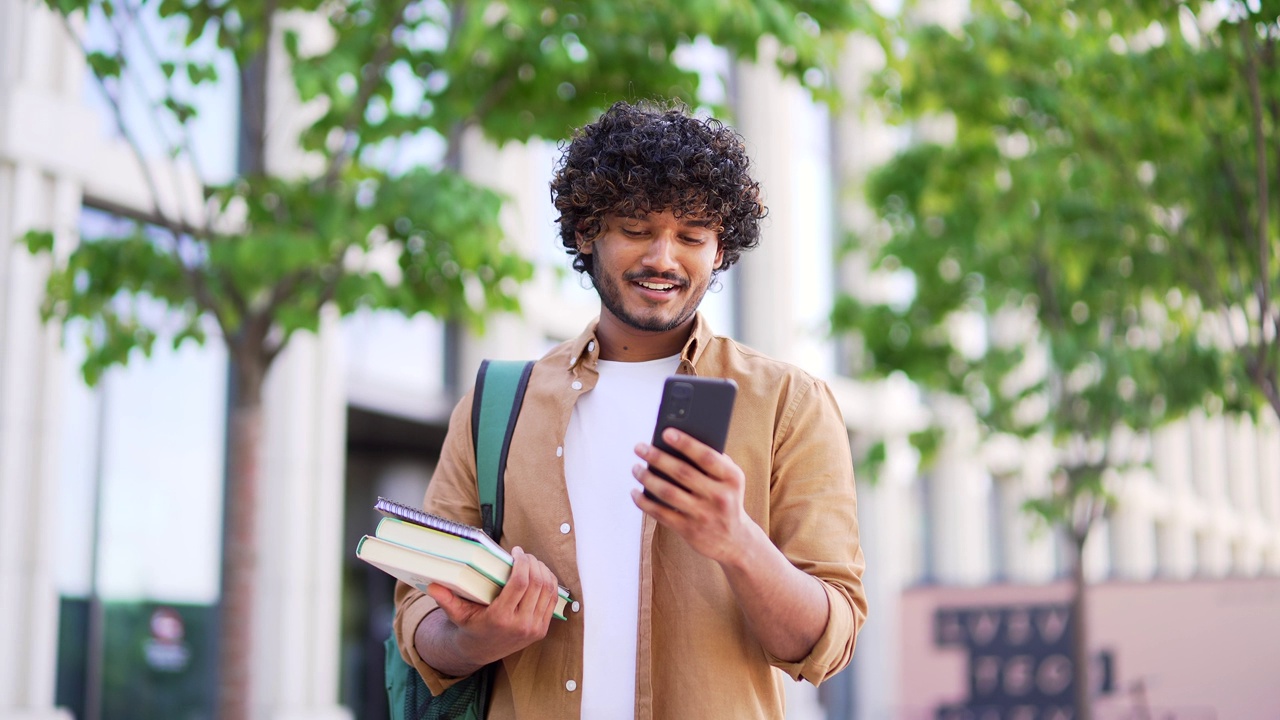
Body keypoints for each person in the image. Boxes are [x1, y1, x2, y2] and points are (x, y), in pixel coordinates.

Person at [393, 99, 866, 719]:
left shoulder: (787, 403)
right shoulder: (496, 403)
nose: (663, 259)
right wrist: (478, 637)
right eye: (637, 230)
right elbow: (419, 612)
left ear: (720, 250)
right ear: (588, 232)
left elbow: (825, 644)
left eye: (691, 236)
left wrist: (735, 540)